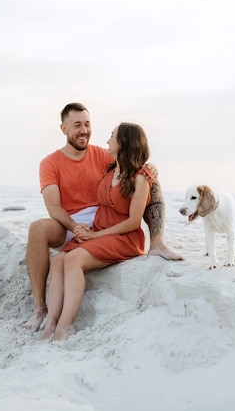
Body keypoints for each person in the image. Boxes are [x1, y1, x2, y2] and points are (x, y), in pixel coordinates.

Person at [22, 103, 182, 332]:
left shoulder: (101, 155)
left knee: (150, 179)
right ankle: (40, 310)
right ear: (63, 128)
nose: (84, 130)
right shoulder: (50, 163)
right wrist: (75, 226)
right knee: (37, 228)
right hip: (69, 222)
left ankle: (157, 242)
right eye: (77, 125)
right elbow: (54, 208)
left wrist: (151, 167)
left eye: (87, 124)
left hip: (102, 221)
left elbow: (132, 167)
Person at [40, 122, 153, 341]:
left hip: (123, 237)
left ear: (124, 143)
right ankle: (50, 323)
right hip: (99, 229)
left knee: (73, 259)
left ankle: (65, 326)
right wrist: (87, 230)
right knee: (58, 261)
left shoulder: (140, 179)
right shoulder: (111, 168)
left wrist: (95, 236)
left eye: (112, 136)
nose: (108, 140)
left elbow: (133, 222)